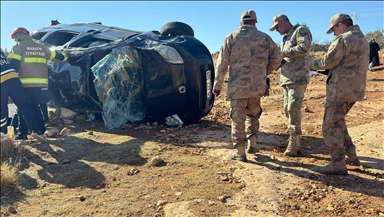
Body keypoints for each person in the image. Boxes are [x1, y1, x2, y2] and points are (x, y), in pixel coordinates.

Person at [213, 10, 282, 162]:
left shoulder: (231, 37)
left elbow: (222, 63)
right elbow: (278, 58)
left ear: (241, 22)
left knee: (238, 119)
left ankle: (240, 152)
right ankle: (253, 144)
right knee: (253, 114)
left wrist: (217, 85)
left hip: (238, 87)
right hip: (258, 86)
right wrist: (264, 71)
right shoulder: (265, 38)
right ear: (255, 22)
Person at [305, 13, 369, 175]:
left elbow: (329, 61)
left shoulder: (344, 39)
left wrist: (311, 64)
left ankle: (338, 163)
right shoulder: (362, 38)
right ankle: (352, 156)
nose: (334, 33)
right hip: (355, 89)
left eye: (334, 29)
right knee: (339, 121)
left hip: (340, 89)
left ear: (341, 25)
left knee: (331, 125)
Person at [7, 27, 68, 140]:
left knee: (23, 108)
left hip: (24, 84)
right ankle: (40, 130)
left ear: (20, 35)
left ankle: (22, 134)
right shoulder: (42, 47)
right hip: (41, 85)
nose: (15, 39)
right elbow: (60, 57)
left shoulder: (18, 47)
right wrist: (65, 54)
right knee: (35, 107)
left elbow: (13, 66)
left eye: (15, 37)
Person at [269, 14, 313, 156]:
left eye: (276, 27)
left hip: (298, 78)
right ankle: (293, 139)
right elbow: (285, 58)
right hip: (287, 79)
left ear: (283, 23)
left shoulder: (300, 30)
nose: (276, 30)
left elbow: (304, 47)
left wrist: (282, 52)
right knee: (287, 110)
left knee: (293, 109)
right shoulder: (285, 38)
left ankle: (294, 143)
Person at [0, 48, 46, 143]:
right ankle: (35, 131)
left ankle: (2, 134)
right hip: (14, 77)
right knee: (24, 106)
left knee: (2, 108)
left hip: (2, 79)